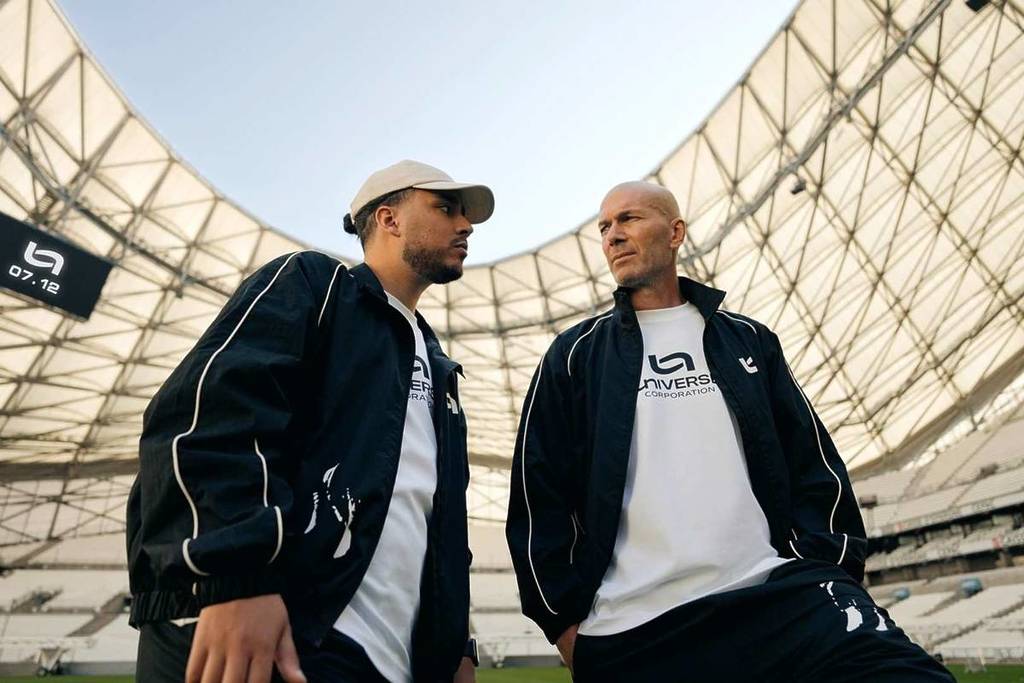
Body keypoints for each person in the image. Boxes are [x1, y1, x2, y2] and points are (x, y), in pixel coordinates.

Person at [505, 181, 954, 682]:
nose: (613, 235)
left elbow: (814, 463)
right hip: (635, 626)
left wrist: (830, 568)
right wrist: (565, 628)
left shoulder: (749, 339)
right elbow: (536, 495)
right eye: (604, 227)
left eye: (629, 219)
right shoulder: (574, 354)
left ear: (675, 232)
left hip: (777, 594)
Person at [128, 160, 492, 682]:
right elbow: (207, 412)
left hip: (391, 663)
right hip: (283, 637)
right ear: (388, 219)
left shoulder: (440, 367)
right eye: (445, 207)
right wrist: (236, 577)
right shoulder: (315, 285)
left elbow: (438, 519)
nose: (465, 225)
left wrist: (456, 643)